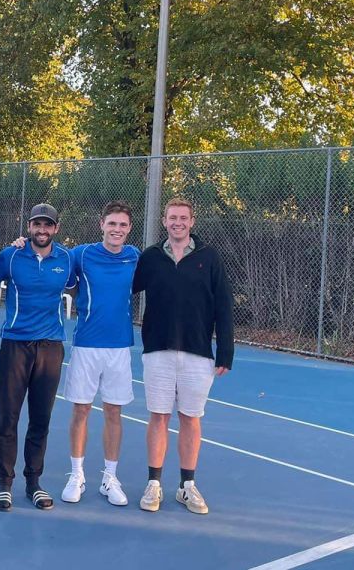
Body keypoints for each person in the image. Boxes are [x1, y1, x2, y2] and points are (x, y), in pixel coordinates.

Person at [132, 197, 234, 515]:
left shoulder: (209, 257)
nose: (178, 222)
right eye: (172, 217)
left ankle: (187, 486)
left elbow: (224, 305)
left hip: (198, 352)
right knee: (159, 416)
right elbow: (124, 288)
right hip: (158, 349)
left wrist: (225, 352)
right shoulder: (150, 257)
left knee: (190, 418)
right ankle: (154, 484)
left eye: (183, 218)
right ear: (164, 221)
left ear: (192, 222)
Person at [0, 203, 76, 511]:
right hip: (15, 345)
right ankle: (4, 484)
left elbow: (77, 284)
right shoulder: (12, 255)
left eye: (48, 225)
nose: (42, 230)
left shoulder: (66, 259)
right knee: (8, 417)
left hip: (50, 347)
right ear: (29, 226)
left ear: (56, 229)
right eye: (37, 224)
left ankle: (34, 482)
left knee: (41, 419)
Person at [60, 201, 140, 507]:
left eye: (122, 225)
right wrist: (20, 244)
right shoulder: (81, 254)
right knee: (80, 410)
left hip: (120, 347)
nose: (117, 229)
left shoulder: (135, 257)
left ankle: (110, 477)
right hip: (86, 346)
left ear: (129, 229)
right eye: (112, 224)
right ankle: (77, 474)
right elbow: (50, 259)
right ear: (101, 224)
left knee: (114, 412)